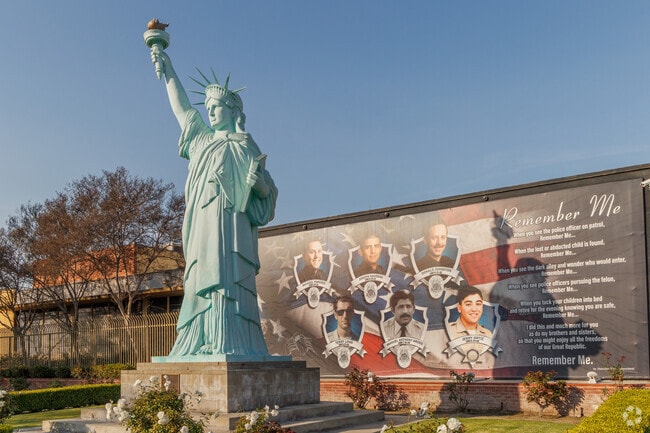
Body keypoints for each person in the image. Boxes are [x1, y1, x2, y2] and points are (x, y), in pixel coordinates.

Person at [151, 46, 277, 357]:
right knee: (201, 276)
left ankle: (230, 340)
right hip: (203, 224)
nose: (210, 111)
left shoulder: (245, 143)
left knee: (226, 277)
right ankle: (199, 338)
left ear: (233, 110)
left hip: (232, 225)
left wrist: (258, 184)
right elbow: (181, 109)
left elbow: (266, 192)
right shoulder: (201, 140)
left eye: (216, 106)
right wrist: (167, 69)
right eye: (208, 106)